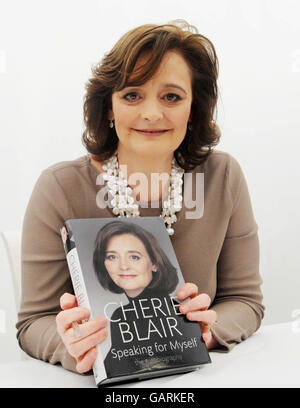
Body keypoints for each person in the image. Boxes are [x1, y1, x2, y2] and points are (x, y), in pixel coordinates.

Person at [16, 19, 265, 375]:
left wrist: (205, 333)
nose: (151, 113)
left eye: (172, 96)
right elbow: (32, 323)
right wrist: (72, 347)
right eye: (132, 94)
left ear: (193, 109)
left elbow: (245, 301)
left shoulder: (223, 177)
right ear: (109, 108)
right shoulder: (59, 187)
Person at [92, 220, 208, 377]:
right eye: (112, 257)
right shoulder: (121, 316)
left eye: (134, 257)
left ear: (155, 263)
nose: (123, 266)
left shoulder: (178, 312)